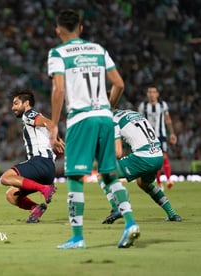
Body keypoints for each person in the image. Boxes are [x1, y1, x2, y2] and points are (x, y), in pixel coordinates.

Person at [48, 9, 139, 249]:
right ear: (81, 28)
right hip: (105, 118)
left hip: (81, 119)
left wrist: (54, 124)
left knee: (75, 177)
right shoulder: (99, 50)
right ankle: (130, 223)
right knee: (109, 174)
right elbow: (119, 83)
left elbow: (58, 90)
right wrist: (108, 108)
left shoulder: (58, 53)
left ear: (58, 31)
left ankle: (77, 237)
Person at [99, 109, 182, 224]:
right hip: (158, 155)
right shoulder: (133, 113)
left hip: (143, 157)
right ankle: (172, 213)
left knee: (102, 172)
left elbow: (118, 153)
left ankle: (116, 208)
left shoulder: (113, 120)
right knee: (143, 183)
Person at [0, 89, 60, 223]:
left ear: (26, 103)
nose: (12, 107)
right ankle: (35, 208)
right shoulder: (36, 123)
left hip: (40, 162)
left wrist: (55, 139)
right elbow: (50, 127)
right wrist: (57, 141)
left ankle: (44, 189)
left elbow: (50, 123)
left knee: (5, 178)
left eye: (16, 103)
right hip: (48, 171)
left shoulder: (29, 114)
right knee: (11, 195)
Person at [138, 85, 177, 190]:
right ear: (147, 94)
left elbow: (168, 119)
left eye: (153, 92)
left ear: (157, 94)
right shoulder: (143, 106)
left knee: (164, 156)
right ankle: (159, 183)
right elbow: (139, 121)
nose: (151, 94)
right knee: (155, 159)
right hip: (148, 137)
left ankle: (169, 179)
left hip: (161, 135)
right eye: (149, 92)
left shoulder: (163, 105)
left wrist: (172, 133)